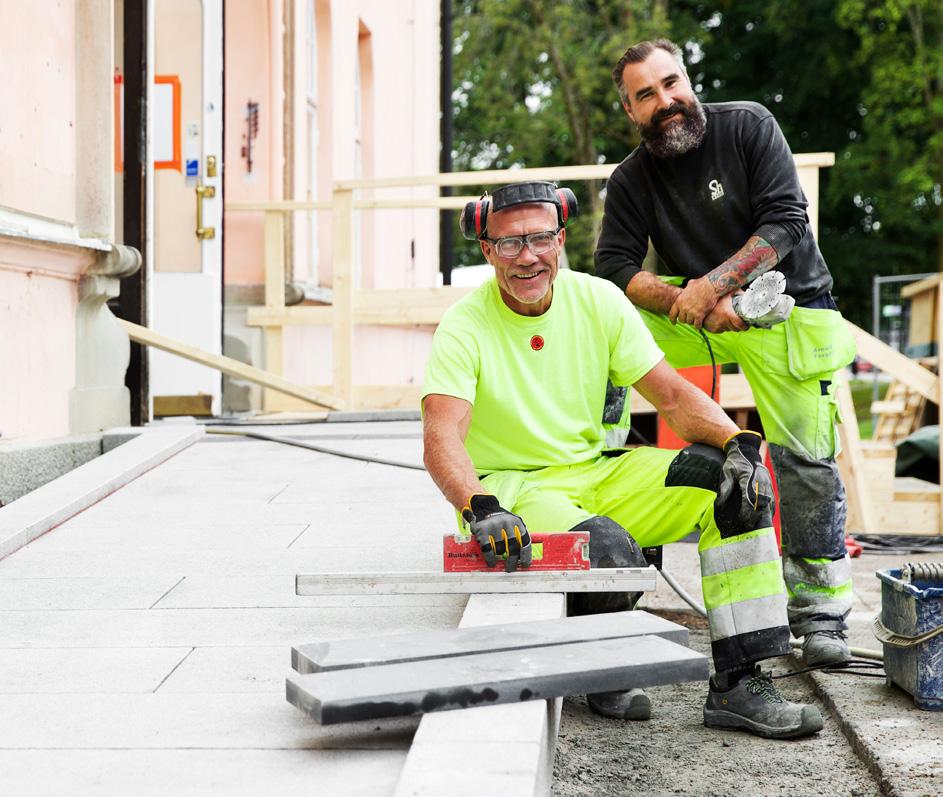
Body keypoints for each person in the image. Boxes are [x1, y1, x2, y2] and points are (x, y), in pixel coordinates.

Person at [421, 180, 823, 739]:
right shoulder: (465, 325)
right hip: (513, 493)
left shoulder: (599, 301)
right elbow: (441, 434)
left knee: (731, 487)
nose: (528, 256)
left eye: (540, 238)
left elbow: (673, 397)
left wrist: (739, 442)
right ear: (487, 251)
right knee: (605, 547)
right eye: (510, 244)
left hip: (597, 470)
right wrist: (477, 505)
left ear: (560, 240)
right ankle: (601, 663)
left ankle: (740, 682)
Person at [596, 39, 857, 668]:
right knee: (603, 333)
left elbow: (786, 221)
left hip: (786, 308)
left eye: (671, 82)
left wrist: (717, 285)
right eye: (646, 95)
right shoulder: (632, 179)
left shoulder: (748, 127)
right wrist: (681, 297)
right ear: (631, 111)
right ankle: (591, 470)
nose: (666, 101)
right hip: (696, 316)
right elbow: (614, 266)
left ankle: (820, 614)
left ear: (689, 79)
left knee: (802, 457)